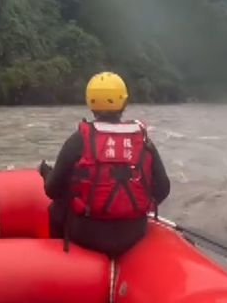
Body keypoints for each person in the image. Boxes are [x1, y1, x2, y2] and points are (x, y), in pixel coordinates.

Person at [41, 72, 171, 257]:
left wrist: (46, 172)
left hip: (86, 234)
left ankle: (61, 264)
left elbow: (52, 191)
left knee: (56, 209)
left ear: (90, 103)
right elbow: (163, 189)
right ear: (124, 103)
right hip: (133, 233)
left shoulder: (79, 139)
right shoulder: (142, 140)